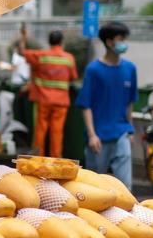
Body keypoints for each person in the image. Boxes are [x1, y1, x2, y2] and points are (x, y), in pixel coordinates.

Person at [76, 22, 136, 189]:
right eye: (121, 39)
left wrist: (130, 130)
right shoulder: (93, 70)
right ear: (109, 42)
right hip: (99, 136)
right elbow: (86, 105)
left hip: (122, 132)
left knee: (125, 187)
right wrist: (92, 135)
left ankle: (126, 213)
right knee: (95, 185)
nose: (124, 43)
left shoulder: (130, 69)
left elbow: (129, 102)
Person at [22, 29, 78, 158]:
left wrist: (23, 37)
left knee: (40, 131)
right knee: (57, 133)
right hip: (61, 102)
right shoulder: (69, 58)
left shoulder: (41, 55)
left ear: (49, 41)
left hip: (43, 100)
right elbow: (73, 77)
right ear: (61, 42)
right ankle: (56, 161)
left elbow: (23, 52)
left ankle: (37, 160)